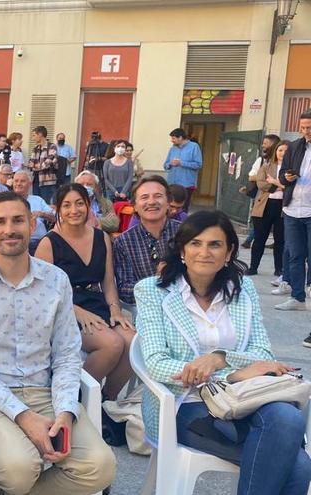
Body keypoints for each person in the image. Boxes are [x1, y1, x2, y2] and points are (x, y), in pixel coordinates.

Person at [0, 191, 117, 495]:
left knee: (100, 466)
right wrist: (24, 416)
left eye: (18, 220)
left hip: (45, 391)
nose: (9, 229)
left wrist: (66, 411)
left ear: (32, 224)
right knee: (19, 469)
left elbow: (67, 355)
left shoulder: (56, 281)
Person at [135, 210, 311, 495]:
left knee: (289, 419)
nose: (204, 252)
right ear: (182, 250)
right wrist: (235, 374)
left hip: (246, 397)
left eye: (215, 244)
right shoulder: (153, 292)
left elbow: (263, 352)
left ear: (229, 252)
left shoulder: (244, 290)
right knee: (299, 466)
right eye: (195, 243)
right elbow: (156, 364)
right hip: (185, 403)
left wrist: (218, 359)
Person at [35, 184, 136, 402]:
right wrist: (77, 312)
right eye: (67, 205)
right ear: (58, 210)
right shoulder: (49, 243)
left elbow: (108, 282)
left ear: (88, 206)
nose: (74, 210)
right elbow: (45, 294)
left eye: (79, 203)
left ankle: (106, 403)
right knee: (112, 344)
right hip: (64, 310)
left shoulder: (102, 238)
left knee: (132, 342)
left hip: (97, 303)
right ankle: (76, 399)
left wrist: (115, 310)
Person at [113, 175, 182, 310]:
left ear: (168, 203)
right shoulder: (124, 242)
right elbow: (124, 289)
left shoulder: (185, 233)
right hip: (145, 307)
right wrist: (158, 283)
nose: (151, 202)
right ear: (135, 206)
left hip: (184, 303)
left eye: (158, 196)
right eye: (144, 197)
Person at [277, 110, 311, 312]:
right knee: (295, 256)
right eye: (303, 128)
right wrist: (286, 178)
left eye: (310, 128)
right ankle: (297, 297)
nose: (306, 131)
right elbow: (282, 175)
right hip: (292, 209)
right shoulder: (295, 146)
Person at [248, 139, 287, 277]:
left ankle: (279, 269)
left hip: (283, 207)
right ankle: (253, 267)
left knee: (280, 240)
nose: (282, 153)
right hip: (265, 205)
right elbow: (261, 184)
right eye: (280, 150)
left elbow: (291, 187)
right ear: (275, 151)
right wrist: (279, 186)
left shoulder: (292, 169)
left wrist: (276, 183)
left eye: (286, 151)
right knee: (259, 238)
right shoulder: (266, 165)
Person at [12, 169, 54, 254]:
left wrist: (42, 214)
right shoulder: (7, 201)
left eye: (22, 181)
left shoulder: (38, 200)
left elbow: (55, 218)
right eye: (16, 181)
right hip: (16, 242)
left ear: (30, 184)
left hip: (39, 242)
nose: (18, 184)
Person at [163, 128, 203, 211]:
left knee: (182, 208)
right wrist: (170, 164)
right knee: (169, 206)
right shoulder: (173, 148)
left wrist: (182, 163)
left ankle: (182, 223)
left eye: (173, 138)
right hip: (172, 183)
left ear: (180, 137)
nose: (171, 141)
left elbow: (198, 164)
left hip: (186, 184)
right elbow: (165, 165)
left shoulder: (194, 147)